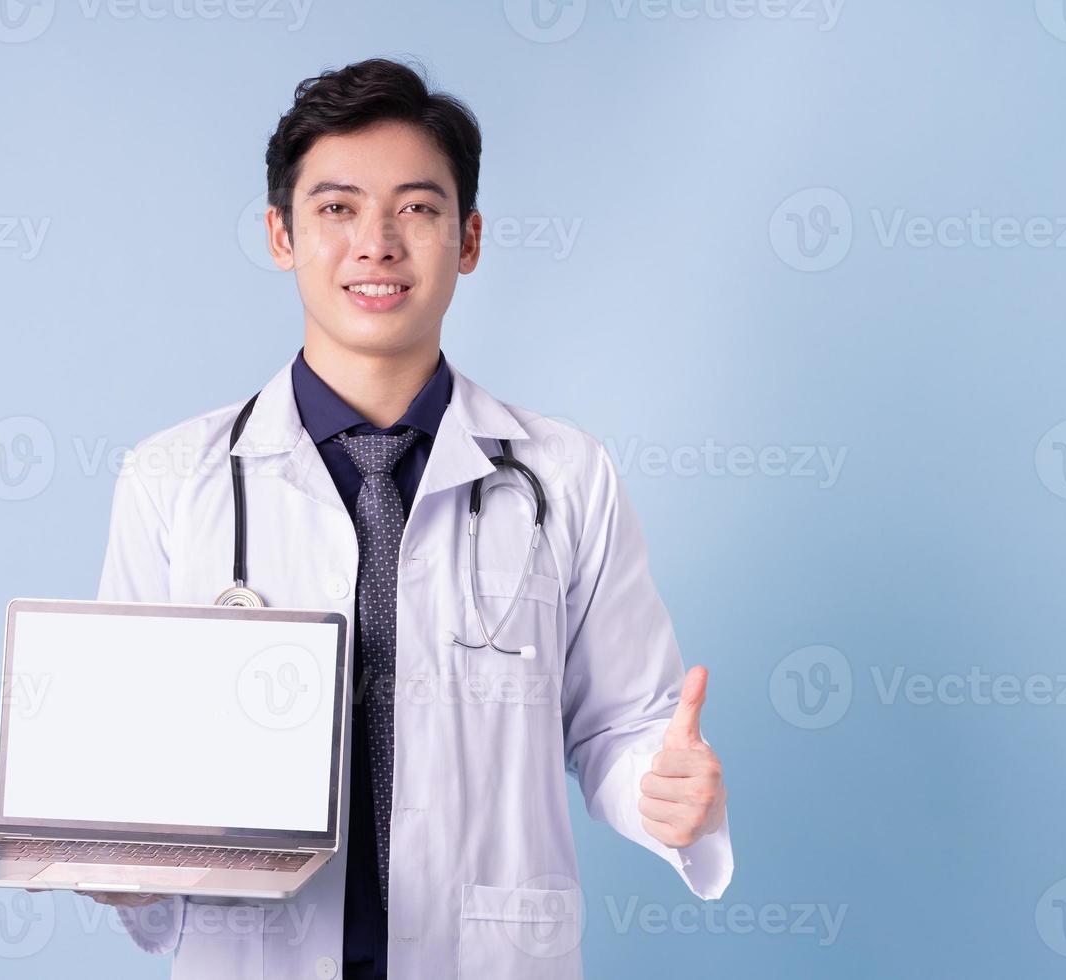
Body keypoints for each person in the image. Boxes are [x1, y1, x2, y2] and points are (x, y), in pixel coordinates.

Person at [84, 57, 732, 980]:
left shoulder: (567, 476)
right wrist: (119, 864)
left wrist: (660, 795)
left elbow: (623, 729)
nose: (377, 244)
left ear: (468, 239)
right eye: (337, 209)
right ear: (281, 234)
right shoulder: (170, 479)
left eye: (417, 210)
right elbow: (133, 768)